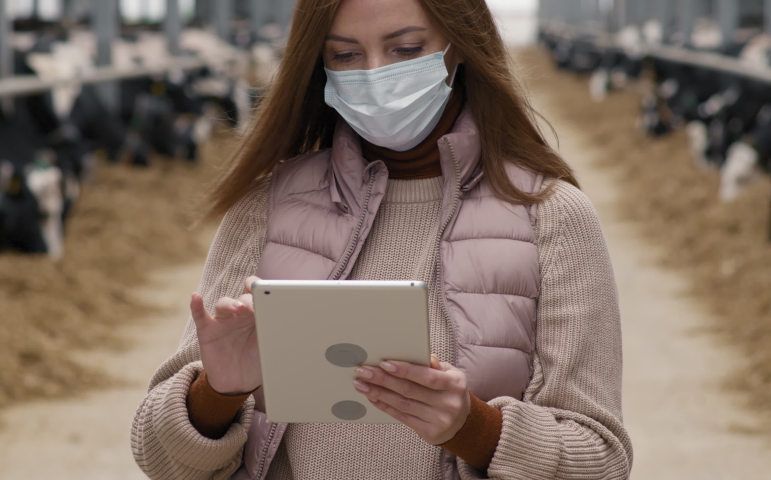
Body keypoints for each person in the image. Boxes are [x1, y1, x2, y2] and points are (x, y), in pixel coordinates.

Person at [131, 0, 633, 478]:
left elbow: (601, 458)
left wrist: (475, 429)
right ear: (319, 65)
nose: (374, 73)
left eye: (406, 49)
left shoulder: (552, 218)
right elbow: (160, 460)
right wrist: (215, 395)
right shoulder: (264, 208)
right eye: (345, 54)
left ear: (458, 46)